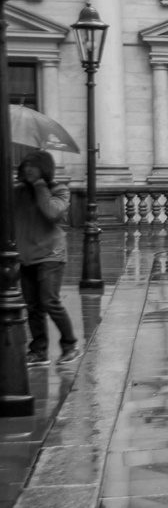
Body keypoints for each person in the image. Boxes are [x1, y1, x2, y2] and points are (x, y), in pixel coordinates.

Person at [15, 150, 79, 364]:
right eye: (26, 165)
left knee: (49, 301)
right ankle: (39, 350)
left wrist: (40, 186)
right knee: (33, 306)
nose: (29, 169)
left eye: (34, 165)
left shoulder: (59, 190)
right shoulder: (18, 192)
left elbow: (52, 213)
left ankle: (70, 345)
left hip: (51, 255)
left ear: (45, 168)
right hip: (26, 256)